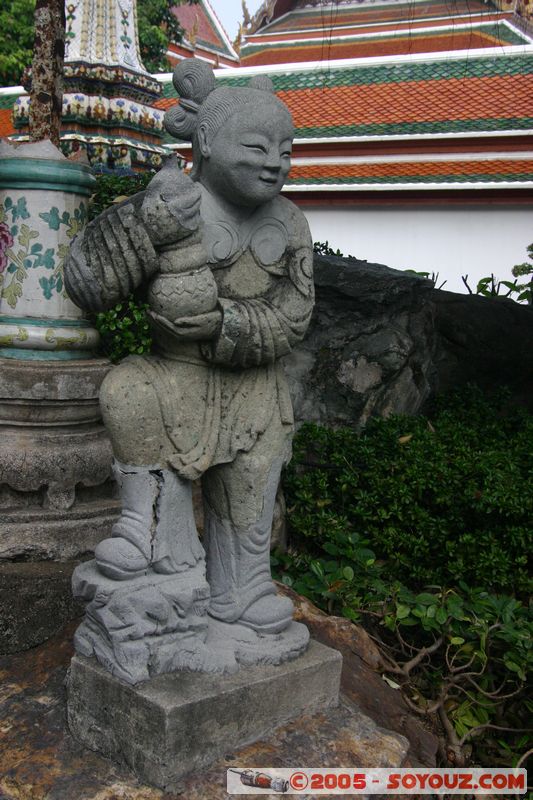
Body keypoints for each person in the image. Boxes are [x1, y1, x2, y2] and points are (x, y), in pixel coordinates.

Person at [65, 59, 314, 637]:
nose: (275, 162)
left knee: (251, 488)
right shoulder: (171, 205)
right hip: (174, 375)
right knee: (127, 389)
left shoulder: (291, 224)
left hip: (255, 387)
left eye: (286, 149)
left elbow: (295, 315)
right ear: (205, 140)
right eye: (256, 146)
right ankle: (148, 535)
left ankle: (243, 585)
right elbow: (86, 285)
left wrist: (223, 322)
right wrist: (139, 227)